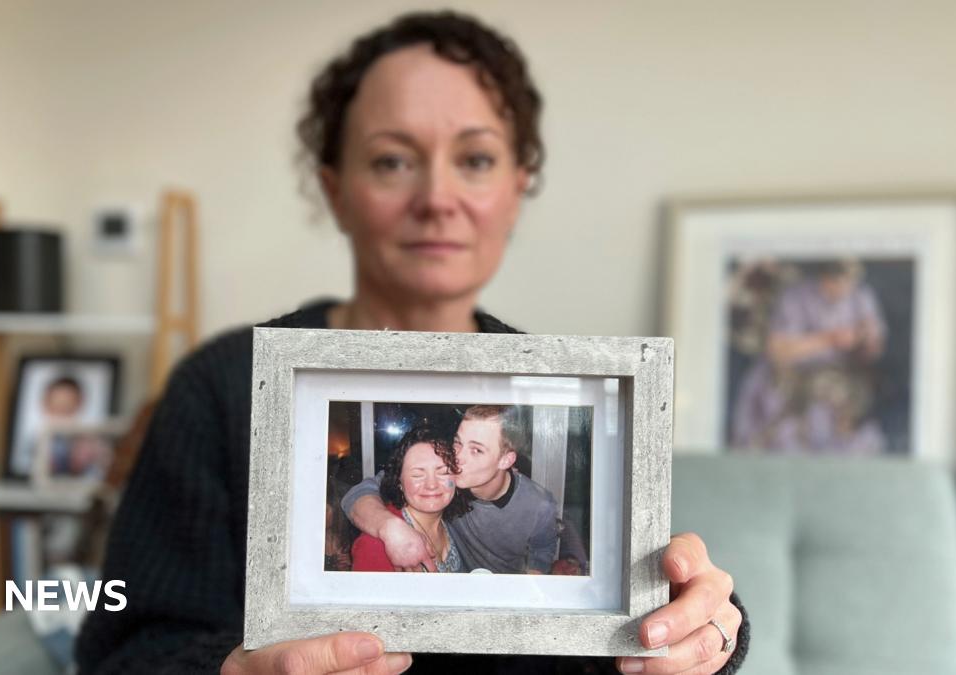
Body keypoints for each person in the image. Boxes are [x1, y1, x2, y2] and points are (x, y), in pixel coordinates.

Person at [76, 10, 747, 675]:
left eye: (476, 159)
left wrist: (706, 630)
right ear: (335, 190)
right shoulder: (224, 386)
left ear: (517, 189)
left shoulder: (583, 392)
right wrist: (231, 671)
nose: (437, 196)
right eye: (393, 160)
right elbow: (126, 651)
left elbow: (632, 607)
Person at [344, 405, 560, 575]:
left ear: (506, 460)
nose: (458, 457)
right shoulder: (448, 476)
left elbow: (543, 549)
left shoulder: (539, 504)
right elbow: (359, 494)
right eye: (458, 443)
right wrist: (389, 528)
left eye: (476, 450)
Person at [731, 259, 888, 453]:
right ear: (825, 277)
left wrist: (865, 339)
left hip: (840, 374)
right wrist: (830, 339)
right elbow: (777, 351)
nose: (843, 288)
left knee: (853, 412)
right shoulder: (796, 296)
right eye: (837, 279)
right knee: (784, 415)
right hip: (792, 371)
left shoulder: (861, 295)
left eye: (849, 280)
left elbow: (874, 350)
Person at [350, 425, 468, 573]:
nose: (431, 485)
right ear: (399, 482)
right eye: (417, 475)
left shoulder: (457, 524)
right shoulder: (376, 546)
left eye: (443, 472)